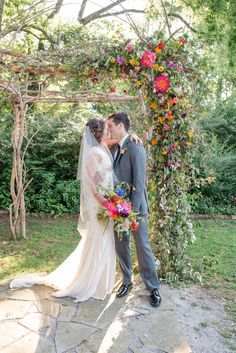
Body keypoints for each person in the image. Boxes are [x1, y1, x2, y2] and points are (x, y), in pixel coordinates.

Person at [10, 119, 116, 302]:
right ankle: (88, 282)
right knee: (99, 241)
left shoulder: (103, 148)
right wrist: (104, 202)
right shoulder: (93, 153)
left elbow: (106, 169)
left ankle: (101, 281)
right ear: (98, 133)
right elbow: (91, 184)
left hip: (108, 201)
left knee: (106, 241)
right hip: (100, 204)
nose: (109, 132)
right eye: (107, 129)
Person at [107, 112, 161, 307]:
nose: (109, 129)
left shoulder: (135, 146)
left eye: (111, 126)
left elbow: (139, 182)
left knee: (142, 246)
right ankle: (127, 281)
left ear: (120, 125)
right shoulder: (115, 146)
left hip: (135, 209)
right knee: (121, 245)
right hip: (117, 207)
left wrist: (133, 213)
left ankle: (153, 287)